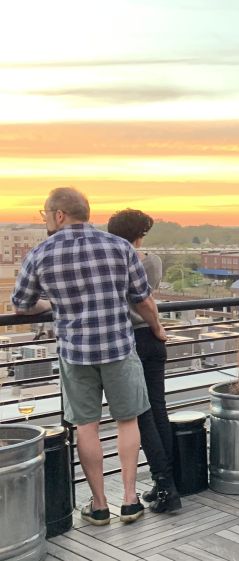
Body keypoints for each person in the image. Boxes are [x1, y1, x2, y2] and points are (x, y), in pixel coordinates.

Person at [11, 187, 166, 525]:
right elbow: (142, 299)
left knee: (86, 427)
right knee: (128, 421)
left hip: (76, 352)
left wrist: (51, 304)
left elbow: (21, 304)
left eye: (45, 214)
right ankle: (130, 500)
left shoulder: (40, 254)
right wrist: (157, 327)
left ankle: (98, 505)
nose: (46, 219)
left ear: (59, 215)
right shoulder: (119, 247)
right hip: (119, 347)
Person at [107, 209, 181, 514]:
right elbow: (146, 297)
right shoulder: (151, 262)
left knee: (142, 415)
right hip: (153, 337)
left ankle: (165, 486)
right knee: (158, 410)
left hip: (129, 340)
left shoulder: (111, 263)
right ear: (139, 235)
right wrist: (157, 326)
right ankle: (168, 482)